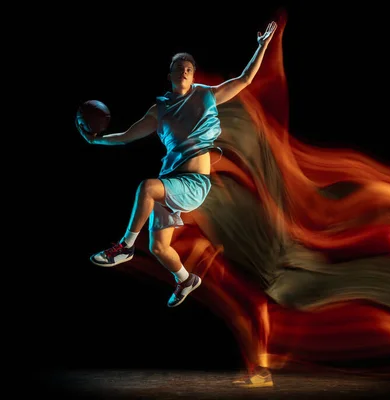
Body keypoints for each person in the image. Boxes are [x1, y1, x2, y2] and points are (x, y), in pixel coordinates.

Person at [76, 21, 278, 310]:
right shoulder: (159, 110)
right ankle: (185, 280)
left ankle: (125, 247)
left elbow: (245, 80)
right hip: (170, 182)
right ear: (169, 74)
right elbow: (125, 137)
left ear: (193, 75)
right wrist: (97, 142)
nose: (184, 70)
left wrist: (262, 47)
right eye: (179, 67)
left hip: (194, 183)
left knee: (147, 187)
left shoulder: (207, 96)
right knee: (160, 248)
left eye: (189, 68)